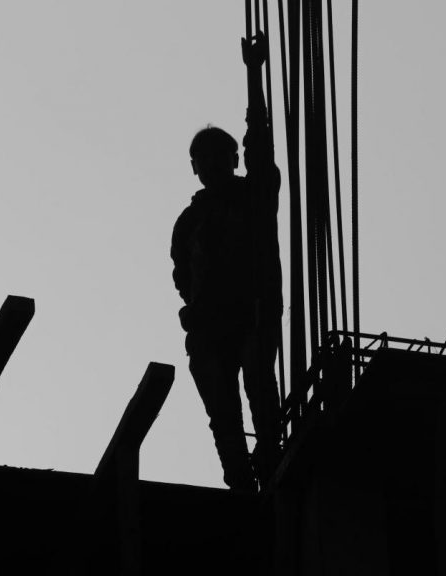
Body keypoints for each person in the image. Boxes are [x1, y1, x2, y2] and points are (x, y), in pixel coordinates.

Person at [170, 33, 282, 491]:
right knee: (223, 414)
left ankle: (271, 464)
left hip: (251, 316)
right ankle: (239, 480)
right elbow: (183, 277)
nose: (213, 167)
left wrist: (254, 75)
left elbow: (262, 147)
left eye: (221, 159)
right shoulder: (189, 222)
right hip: (211, 327)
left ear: (232, 161)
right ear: (194, 167)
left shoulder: (253, 196)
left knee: (259, 388)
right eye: (204, 161)